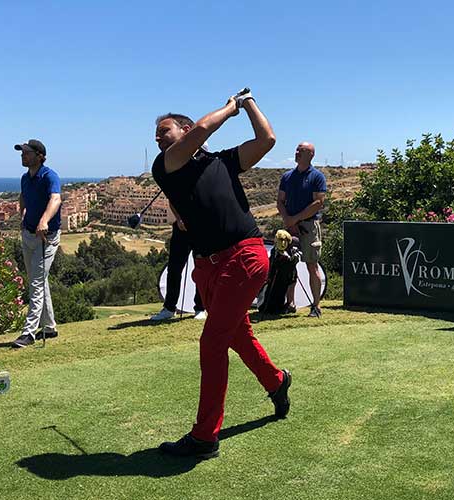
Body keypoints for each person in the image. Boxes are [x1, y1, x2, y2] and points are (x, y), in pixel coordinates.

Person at [151, 92, 291, 460]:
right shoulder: (166, 165)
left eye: (164, 130)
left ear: (182, 130)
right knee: (238, 335)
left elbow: (267, 140)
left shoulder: (224, 161)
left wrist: (247, 105)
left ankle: (205, 436)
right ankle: (277, 382)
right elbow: (201, 130)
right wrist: (231, 109)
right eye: (156, 134)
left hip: (244, 256)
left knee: (212, 342)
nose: (158, 137)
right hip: (207, 266)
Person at [12, 139, 62, 348]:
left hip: (46, 238)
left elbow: (56, 199)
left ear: (40, 156)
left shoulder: (50, 176)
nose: (23, 155)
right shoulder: (25, 178)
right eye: (22, 152)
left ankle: (29, 332)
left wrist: (44, 220)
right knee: (39, 280)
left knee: (36, 283)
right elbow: (23, 197)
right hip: (28, 235)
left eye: (27, 152)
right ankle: (49, 327)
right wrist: (22, 214)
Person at [277, 142, 327, 317]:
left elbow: (318, 203)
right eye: (297, 150)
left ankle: (316, 306)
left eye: (301, 150)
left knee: (312, 265)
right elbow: (280, 201)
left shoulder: (317, 177)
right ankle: (290, 303)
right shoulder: (287, 177)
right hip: (289, 227)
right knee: (288, 264)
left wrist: (295, 219)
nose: (297, 152)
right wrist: (288, 220)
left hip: (309, 227)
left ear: (311, 154)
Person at [150, 202, 206, 321]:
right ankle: (169, 308)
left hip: (201, 227)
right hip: (181, 229)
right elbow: (172, 201)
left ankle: (200, 308)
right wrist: (179, 219)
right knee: (174, 269)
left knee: (201, 268)